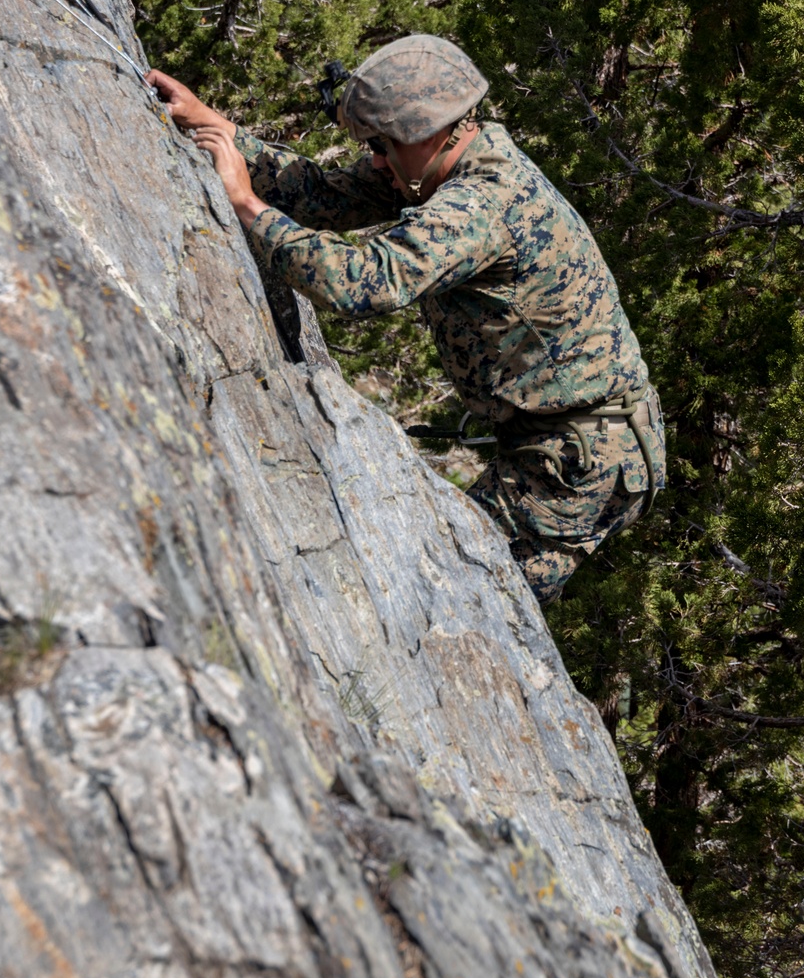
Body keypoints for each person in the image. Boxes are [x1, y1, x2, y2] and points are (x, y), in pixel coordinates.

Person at [148, 34, 664, 605]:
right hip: (574, 441)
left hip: (577, 461)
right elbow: (326, 194)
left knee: (466, 600)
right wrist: (214, 127)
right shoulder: (452, 161)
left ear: (429, 132)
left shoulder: (478, 204)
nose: (374, 159)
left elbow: (361, 283)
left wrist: (247, 205)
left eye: (381, 143)